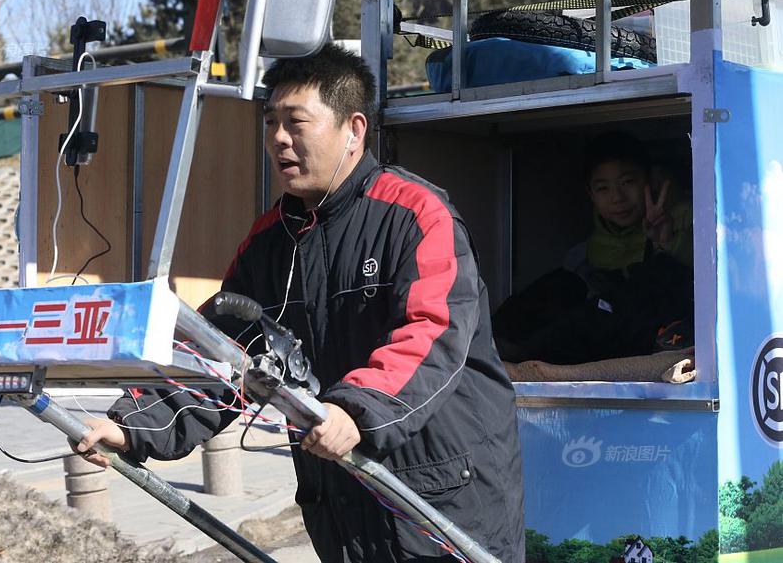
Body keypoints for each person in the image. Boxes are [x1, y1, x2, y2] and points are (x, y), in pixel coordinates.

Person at [77, 44, 525, 562]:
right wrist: (133, 425)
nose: (279, 140)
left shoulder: (416, 215)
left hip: (440, 497)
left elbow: (430, 332)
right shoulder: (268, 241)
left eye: (296, 122)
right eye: (270, 123)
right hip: (339, 496)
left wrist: (357, 411)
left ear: (353, 129)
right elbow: (221, 353)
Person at [495, 134, 694, 365]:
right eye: (603, 189)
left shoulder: (687, 220)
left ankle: (525, 354)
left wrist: (668, 244)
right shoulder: (588, 250)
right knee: (561, 285)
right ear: (590, 194)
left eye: (628, 183)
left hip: (650, 329)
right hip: (602, 329)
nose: (617, 198)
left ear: (649, 181)